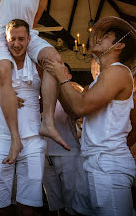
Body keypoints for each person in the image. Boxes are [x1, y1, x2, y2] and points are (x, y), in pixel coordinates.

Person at [44, 16, 136, 216]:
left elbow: (80, 107)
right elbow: (73, 111)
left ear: (119, 45)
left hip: (109, 164)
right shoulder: (95, 82)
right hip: (88, 159)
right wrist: (55, 80)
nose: (98, 39)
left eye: (106, 36)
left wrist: (62, 76)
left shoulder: (119, 72)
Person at [0, 0, 69, 164]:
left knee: (54, 59)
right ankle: (16, 139)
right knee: (3, 69)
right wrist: (11, 32)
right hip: (1, 30)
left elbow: (37, 14)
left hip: (28, 32)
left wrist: (26, 33)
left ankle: (48, 123)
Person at [0, 19, 47, 216]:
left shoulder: (37, 63)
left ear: (28, 39)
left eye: (21, 39)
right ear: (5, 39)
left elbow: (46, 95)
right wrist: (5, 103)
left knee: (29, 204)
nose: (16, 44)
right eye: (12, 39)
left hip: (33, 139)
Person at [42, 63, 83, 216]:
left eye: (62, 71)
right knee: (55, 201)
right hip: (46, 154)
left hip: (68, 152)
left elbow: (77, 114)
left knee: (73, 201)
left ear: (69, 76)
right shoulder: (43, 93)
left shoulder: (74, 92)